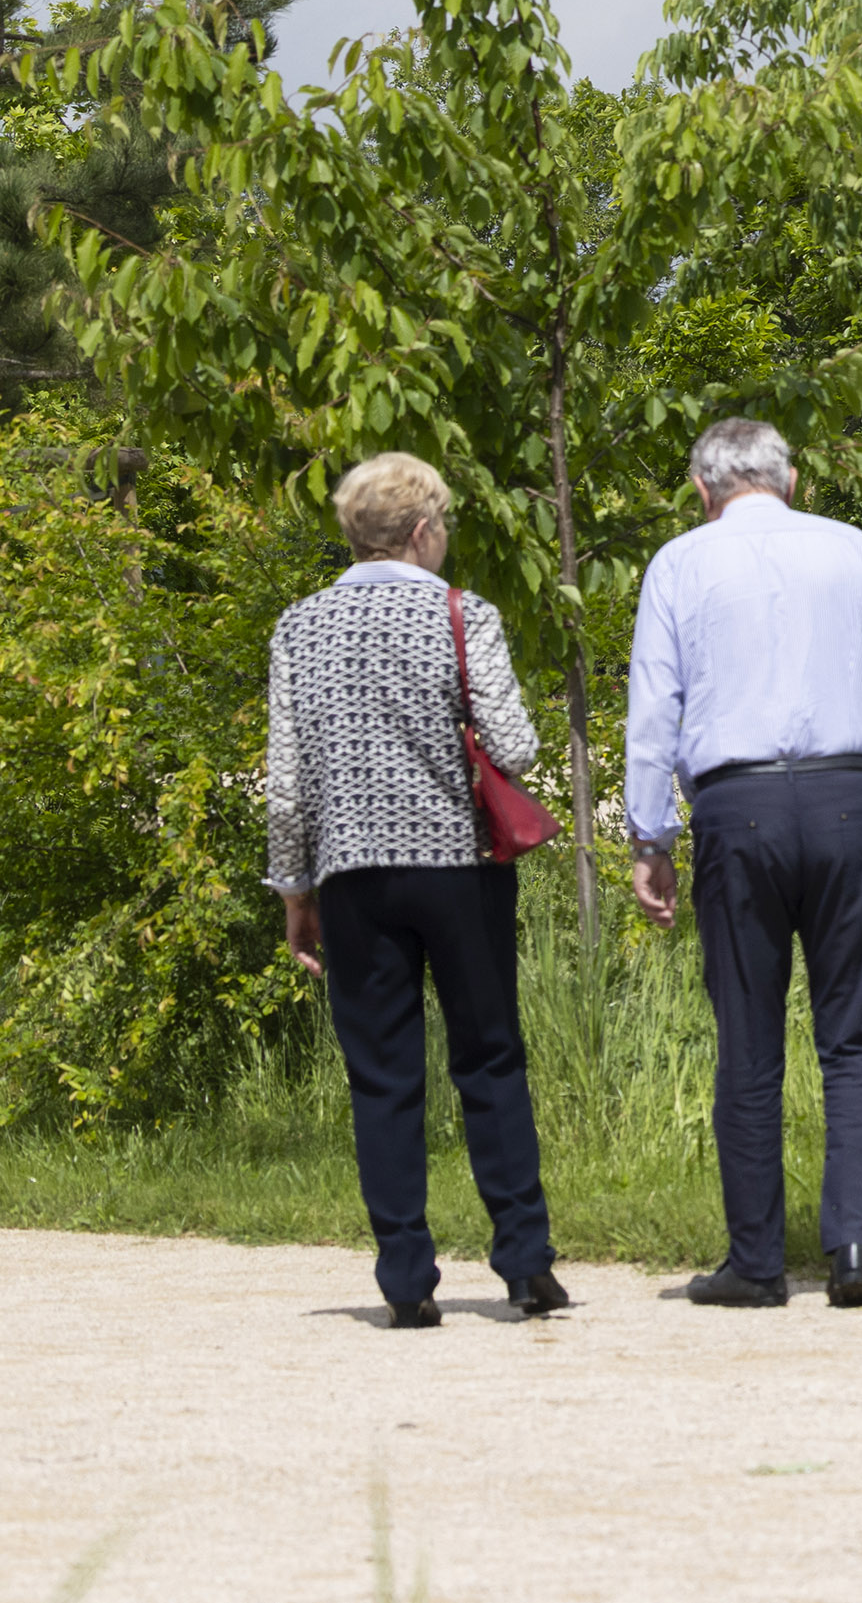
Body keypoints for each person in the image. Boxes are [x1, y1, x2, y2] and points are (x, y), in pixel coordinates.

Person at [625, 417, 862, 1310]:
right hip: (845, 796)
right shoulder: (854, 551)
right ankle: (854, 1250)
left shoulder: (679, 563)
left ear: (702, 490)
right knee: (855, 1038)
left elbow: (656, 707)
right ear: (791, 480)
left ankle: (756, 1263)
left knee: (749, 1043)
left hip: (737, 805)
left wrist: (652, 836)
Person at [264, 451, 570, 1329]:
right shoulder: (460, 612)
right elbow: (514, 747)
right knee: (488, 1055)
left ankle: (405, 1277)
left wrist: (295, 889)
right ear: (425, 529)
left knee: (383, 1076)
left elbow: (287, 782)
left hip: (354, 876)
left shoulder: (299, 626)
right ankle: (523, 1259)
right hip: (460, 869)